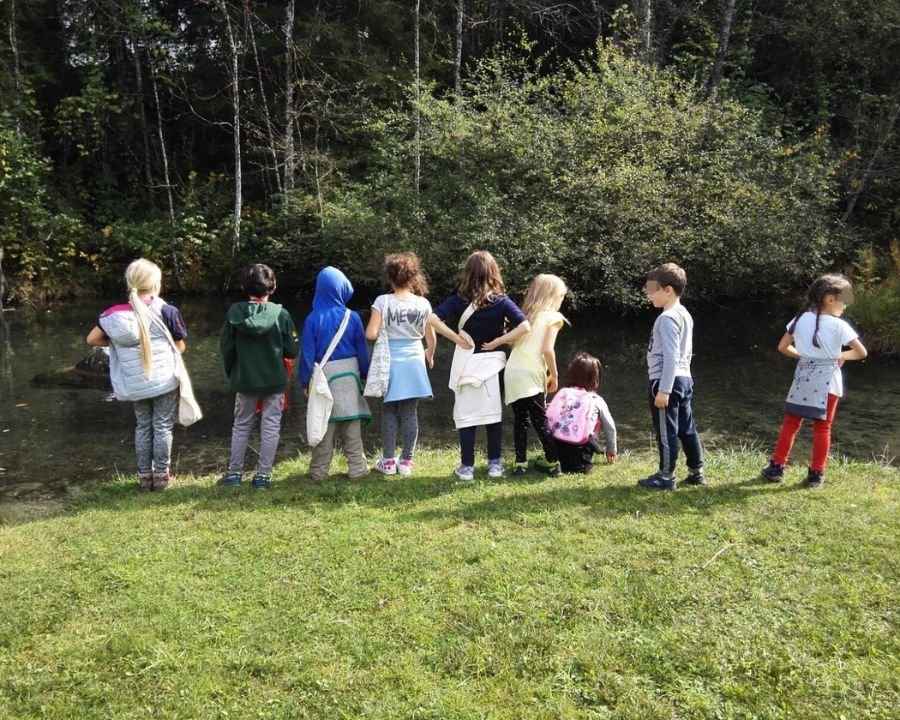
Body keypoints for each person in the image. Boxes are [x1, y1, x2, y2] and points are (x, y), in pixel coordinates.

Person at [86, 258, 187, 492]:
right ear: (156, 284)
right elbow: (180, 347)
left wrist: (118, 344)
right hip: (163, 381)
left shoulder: (113, 315)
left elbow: (92, 339)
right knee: (162, 426)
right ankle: (162, 478)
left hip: (135, 384)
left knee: (143, 426)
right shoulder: (167, 311)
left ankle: (144, 478)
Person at [428, 250, 530, 481]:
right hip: (492, 365)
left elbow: (431, 319)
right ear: (493, 272)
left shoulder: (458, 300)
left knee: (467, 417)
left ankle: (467, 468)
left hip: (466, 363)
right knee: (493, 416)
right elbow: (525, 327)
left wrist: (456, 338)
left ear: (468, 273)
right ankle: (495, 466)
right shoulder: (501, 301)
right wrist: (498, 341)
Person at [760, 274, 867, 487]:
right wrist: (840, 356)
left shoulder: (799, 319)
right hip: (829, 383)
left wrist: (805, 356)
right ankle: (816, 474)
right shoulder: (839, 326)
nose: (845, 306)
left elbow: (782, 347)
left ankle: (776, 467)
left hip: (803, 377)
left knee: (790, 424)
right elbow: (861, 352)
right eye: (843, 300)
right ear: (829, 299)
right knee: (823, 428)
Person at [218, 264, 300, 489]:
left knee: (241, 425)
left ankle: (234, 475)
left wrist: (232, 373)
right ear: (272, 287)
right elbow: (292, 350)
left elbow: (226, 348)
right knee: (271, 425)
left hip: (244, 380)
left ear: (245, 287)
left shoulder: (234, 312)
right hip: (275, 381)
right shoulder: (282, 315)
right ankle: (263, 476)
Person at [365, 253, 439, 476]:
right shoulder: (423, 304)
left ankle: (387, 461)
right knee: (409, 411)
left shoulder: (382, 301)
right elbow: (432, 338)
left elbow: (371, 333)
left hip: (391, 363)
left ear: (389, 278)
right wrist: (430, 355)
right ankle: (406, 461)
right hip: (415, 359)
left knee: (388, 409)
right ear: (413, 277)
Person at [299, 266, 371, 481]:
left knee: (324, 427)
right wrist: (365, 375)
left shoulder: (312, 319)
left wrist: (305, 382)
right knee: (352, 427)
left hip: (324, 378)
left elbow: (307, 356)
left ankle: (319, 472)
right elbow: (362, 351)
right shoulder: (353, 317)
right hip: (349, 376)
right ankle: (357, 468)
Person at [639, 263, 706, 491]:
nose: (649, 295)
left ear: (668, 290)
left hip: (666, 380)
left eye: (652, 290)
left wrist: (664, 389)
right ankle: (696, 472)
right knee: (687, 427)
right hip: (684, 379)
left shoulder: (666, 319)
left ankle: (666, 477)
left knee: (666, 431)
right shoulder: (684, 314)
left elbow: (670, 356)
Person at [504, 274, 568, 476]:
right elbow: (548, 350)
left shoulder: (526, 315)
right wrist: (555, 376)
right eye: (561, 297)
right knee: (540, 420)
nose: (561, 301)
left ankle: (520, 464)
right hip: (530, 373)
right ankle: (553, 462)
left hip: (512, 370)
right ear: (553, 296)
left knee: (520, 419)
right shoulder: (553, 318)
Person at [547, 352, 618, 473]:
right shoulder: (596, 400)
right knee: (581, 468)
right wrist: (611, 450)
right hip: (581, 448)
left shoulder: (564, 394)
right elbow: (610, 428)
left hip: (556, 448)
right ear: (595, 378)